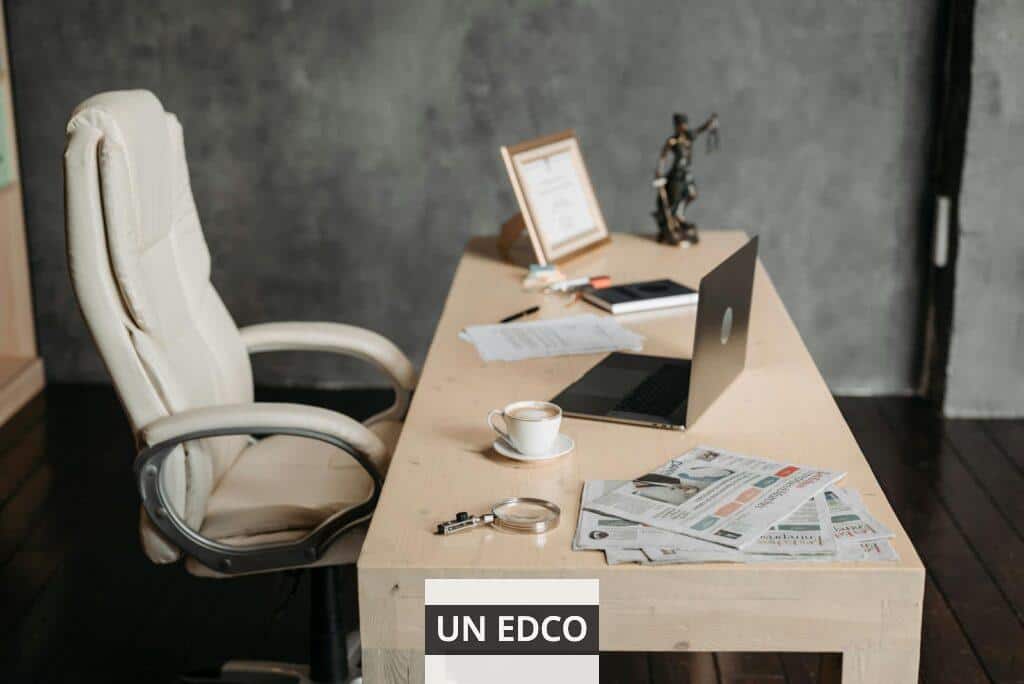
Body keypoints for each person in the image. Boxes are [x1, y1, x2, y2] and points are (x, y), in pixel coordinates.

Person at [653, 112, 719, 245]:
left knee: (692, 194)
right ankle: (671, 222)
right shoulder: (673, 141)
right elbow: (663, 156)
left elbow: (700, 129)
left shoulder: (689, 137)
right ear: (676, 126)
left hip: (686, 173)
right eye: (680, 125)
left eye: (684, 124)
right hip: (676, 175)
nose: (683, 127)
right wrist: (660, 170)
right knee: (674, 200)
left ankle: (679, 214)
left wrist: (709, 123)